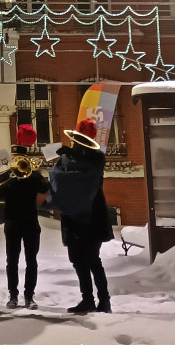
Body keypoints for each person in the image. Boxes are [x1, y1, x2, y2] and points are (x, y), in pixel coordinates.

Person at [48, 118, 113, 314]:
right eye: (76, 139)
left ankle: (105, 301)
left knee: (93, 258)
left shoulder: (97, 157)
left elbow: (89, 175)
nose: (77, 142)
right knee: (77, 259)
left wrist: (73, 155)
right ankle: (87, 300)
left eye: (81, 139)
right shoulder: (68, 158)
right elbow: (55, 178)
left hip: (92, 216)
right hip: (73, 216)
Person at [0, 124, 50, 310]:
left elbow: (44, 188)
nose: (18, 161)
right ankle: (13, 296)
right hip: (12, 222)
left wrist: (32, 173)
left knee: (31, 260)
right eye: (15, 158)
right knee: (12, 261)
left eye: (21, 158)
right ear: (12, 158)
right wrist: (11, 178)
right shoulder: (7, 175)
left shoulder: (32, 174)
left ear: (25, 158)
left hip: (31, 222)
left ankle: (29, 296)